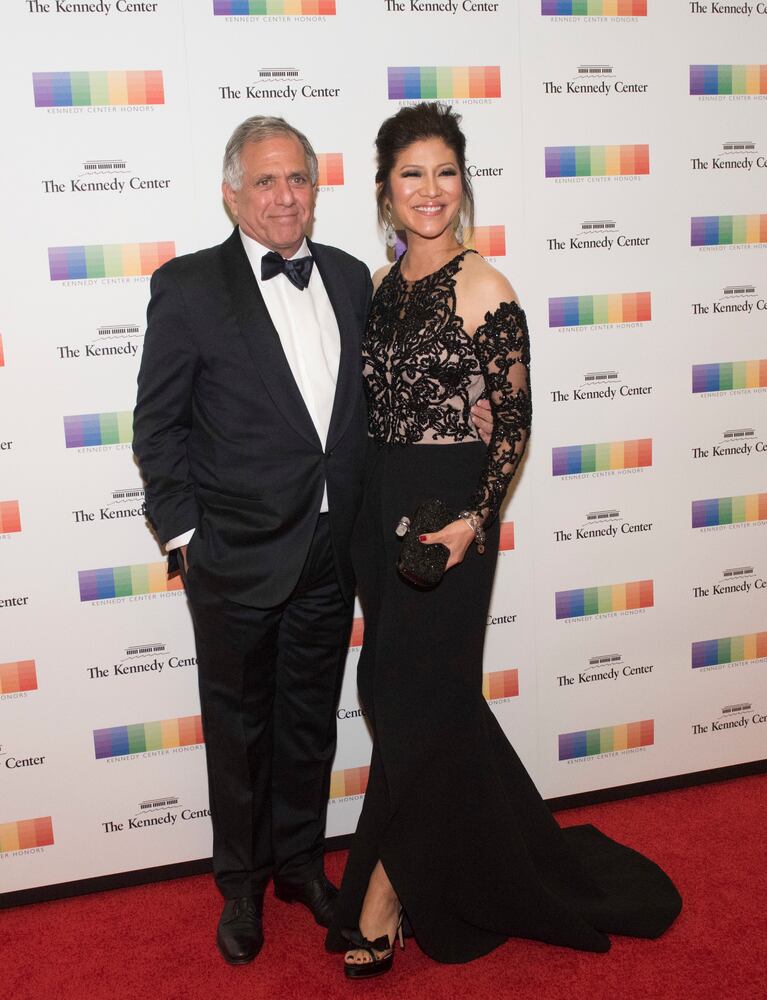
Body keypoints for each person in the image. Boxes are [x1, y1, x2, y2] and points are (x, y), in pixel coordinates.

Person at [326, 102, 682, 977]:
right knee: (407, 696)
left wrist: (470, 522)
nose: (430, 190)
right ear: (384, 190)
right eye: (411, 173)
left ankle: (384, 893)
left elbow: (512, 427)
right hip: (379, 508)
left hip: (450, 513)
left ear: (464, 183)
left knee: (419, 697)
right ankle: (487, 851)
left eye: (445, 172)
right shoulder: (378, 285)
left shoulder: (487, 288)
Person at [132, 114, 493, 965]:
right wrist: (185, 538)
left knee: (307, 725)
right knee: (238, 733)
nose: (283, 196)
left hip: (335, 555)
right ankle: (241, 885)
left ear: (317, 190)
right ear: (232, 195)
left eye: (297, 178)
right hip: (234, 557)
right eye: (264, 181)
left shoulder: (349, 277)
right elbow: (158, 426)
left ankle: (299, 865)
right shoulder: (187, 286)